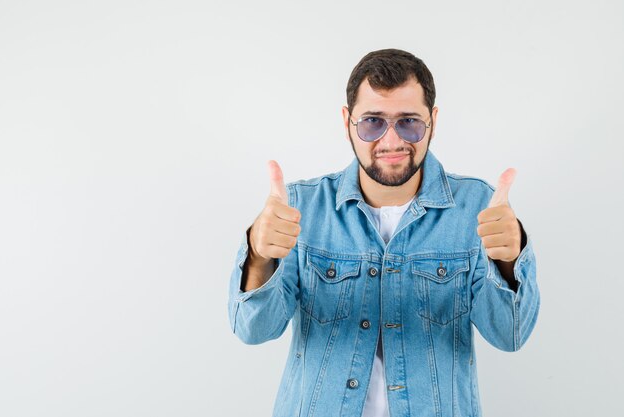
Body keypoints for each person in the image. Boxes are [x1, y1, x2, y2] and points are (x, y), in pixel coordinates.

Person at [227, 48, 540, 417]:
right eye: (373, 122)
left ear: (433, 121)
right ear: (347, 122)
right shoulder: (300, 209)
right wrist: (260, 257)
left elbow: (511, 335)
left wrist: (509, 260)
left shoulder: (478, 208)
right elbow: (253, 330)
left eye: (409, 122)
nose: (392, 142)